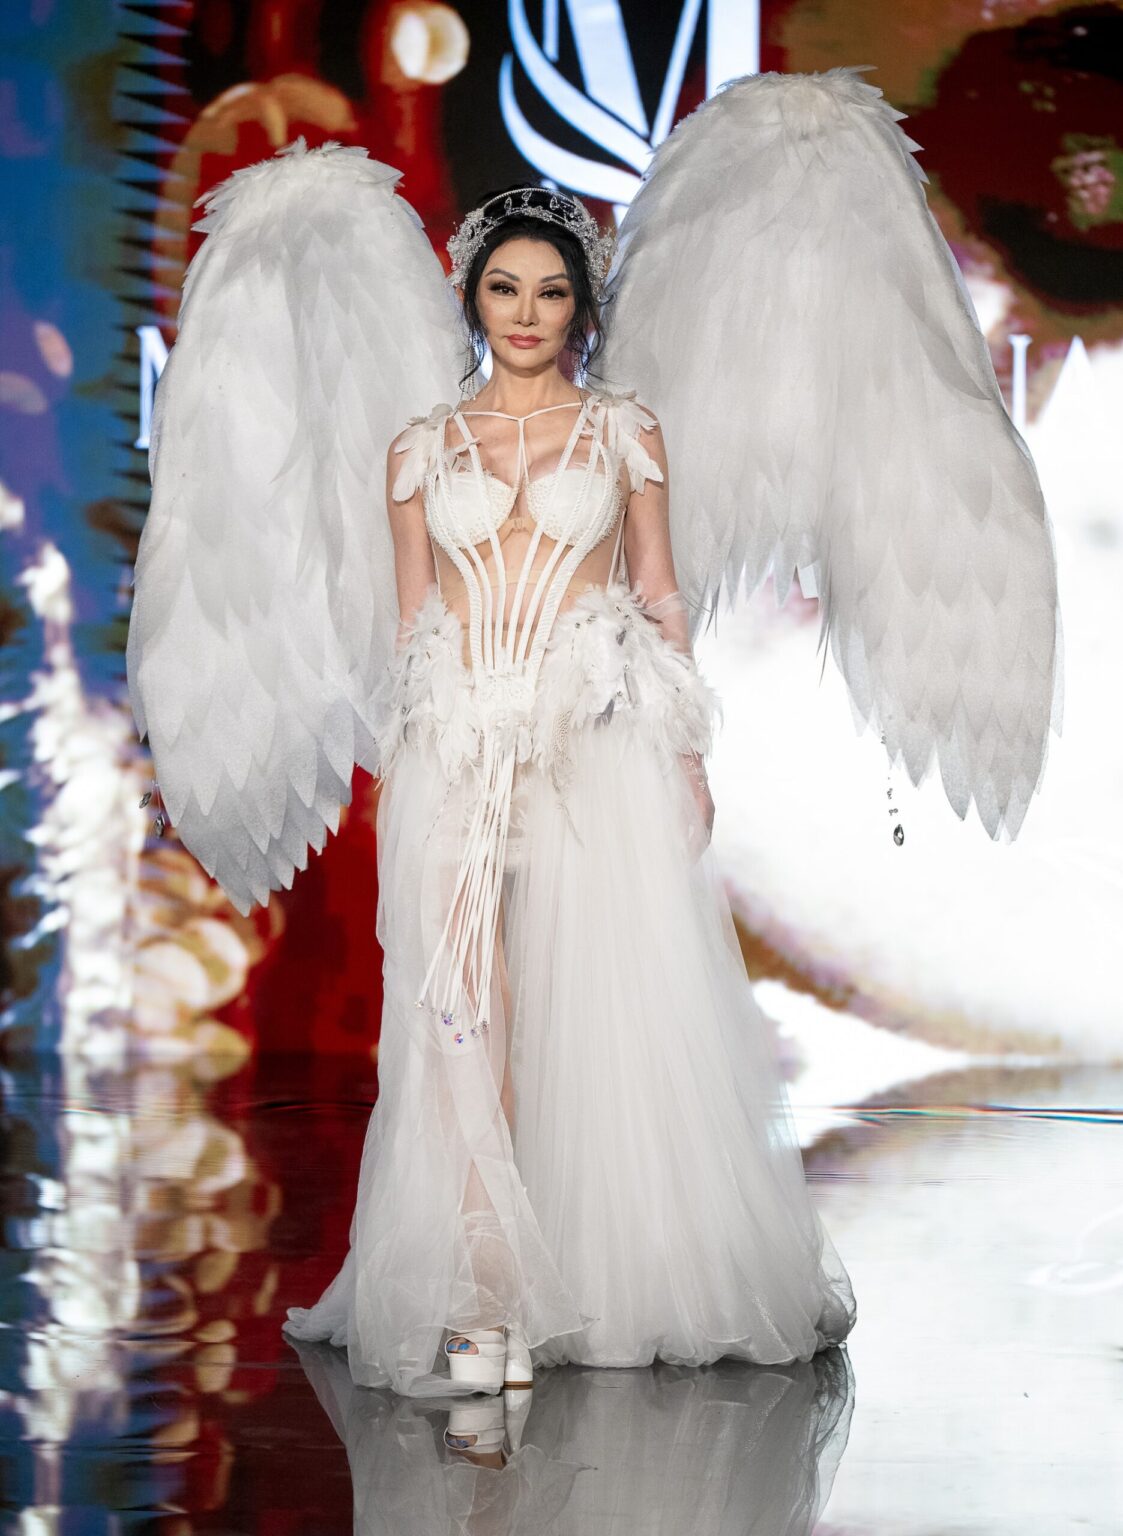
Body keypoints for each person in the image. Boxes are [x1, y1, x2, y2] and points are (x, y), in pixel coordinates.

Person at [127, 67, 1060, 1401]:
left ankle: (597, 1276)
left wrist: (683, 755)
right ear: (475, 300)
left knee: (597, 1017)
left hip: (596, 745)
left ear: (578, 302)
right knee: (463, 1018)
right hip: (458, 745)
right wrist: (416, 751)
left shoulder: (626, 432)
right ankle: (483, 1294)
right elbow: (410, 623)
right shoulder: (415, 447)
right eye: (505, 290)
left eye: (549, 291)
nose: (526, 314)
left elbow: (660, 597)